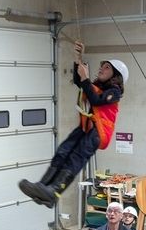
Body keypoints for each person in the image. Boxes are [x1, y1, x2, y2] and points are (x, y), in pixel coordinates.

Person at [18, 40, 128, 208]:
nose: (101, 69)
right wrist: (78, 58)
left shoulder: (114, 92)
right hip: (85, 128)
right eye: (102, 66)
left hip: (98, 132)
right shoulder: (95, 86)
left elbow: (96, 100)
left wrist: (85, 78)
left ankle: (54, 191)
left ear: (115, 75)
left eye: (106, 67)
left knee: (75, 159)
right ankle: (43, 187)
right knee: (63, 152)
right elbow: (80, 81)